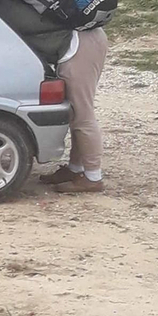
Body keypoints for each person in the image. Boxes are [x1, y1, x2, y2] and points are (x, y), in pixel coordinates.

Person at [50, 27, 108, 192]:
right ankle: (75, 169)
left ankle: (93, 177)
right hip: (85, 40)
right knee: (76, 112)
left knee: (82, 113)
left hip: (79, 44)